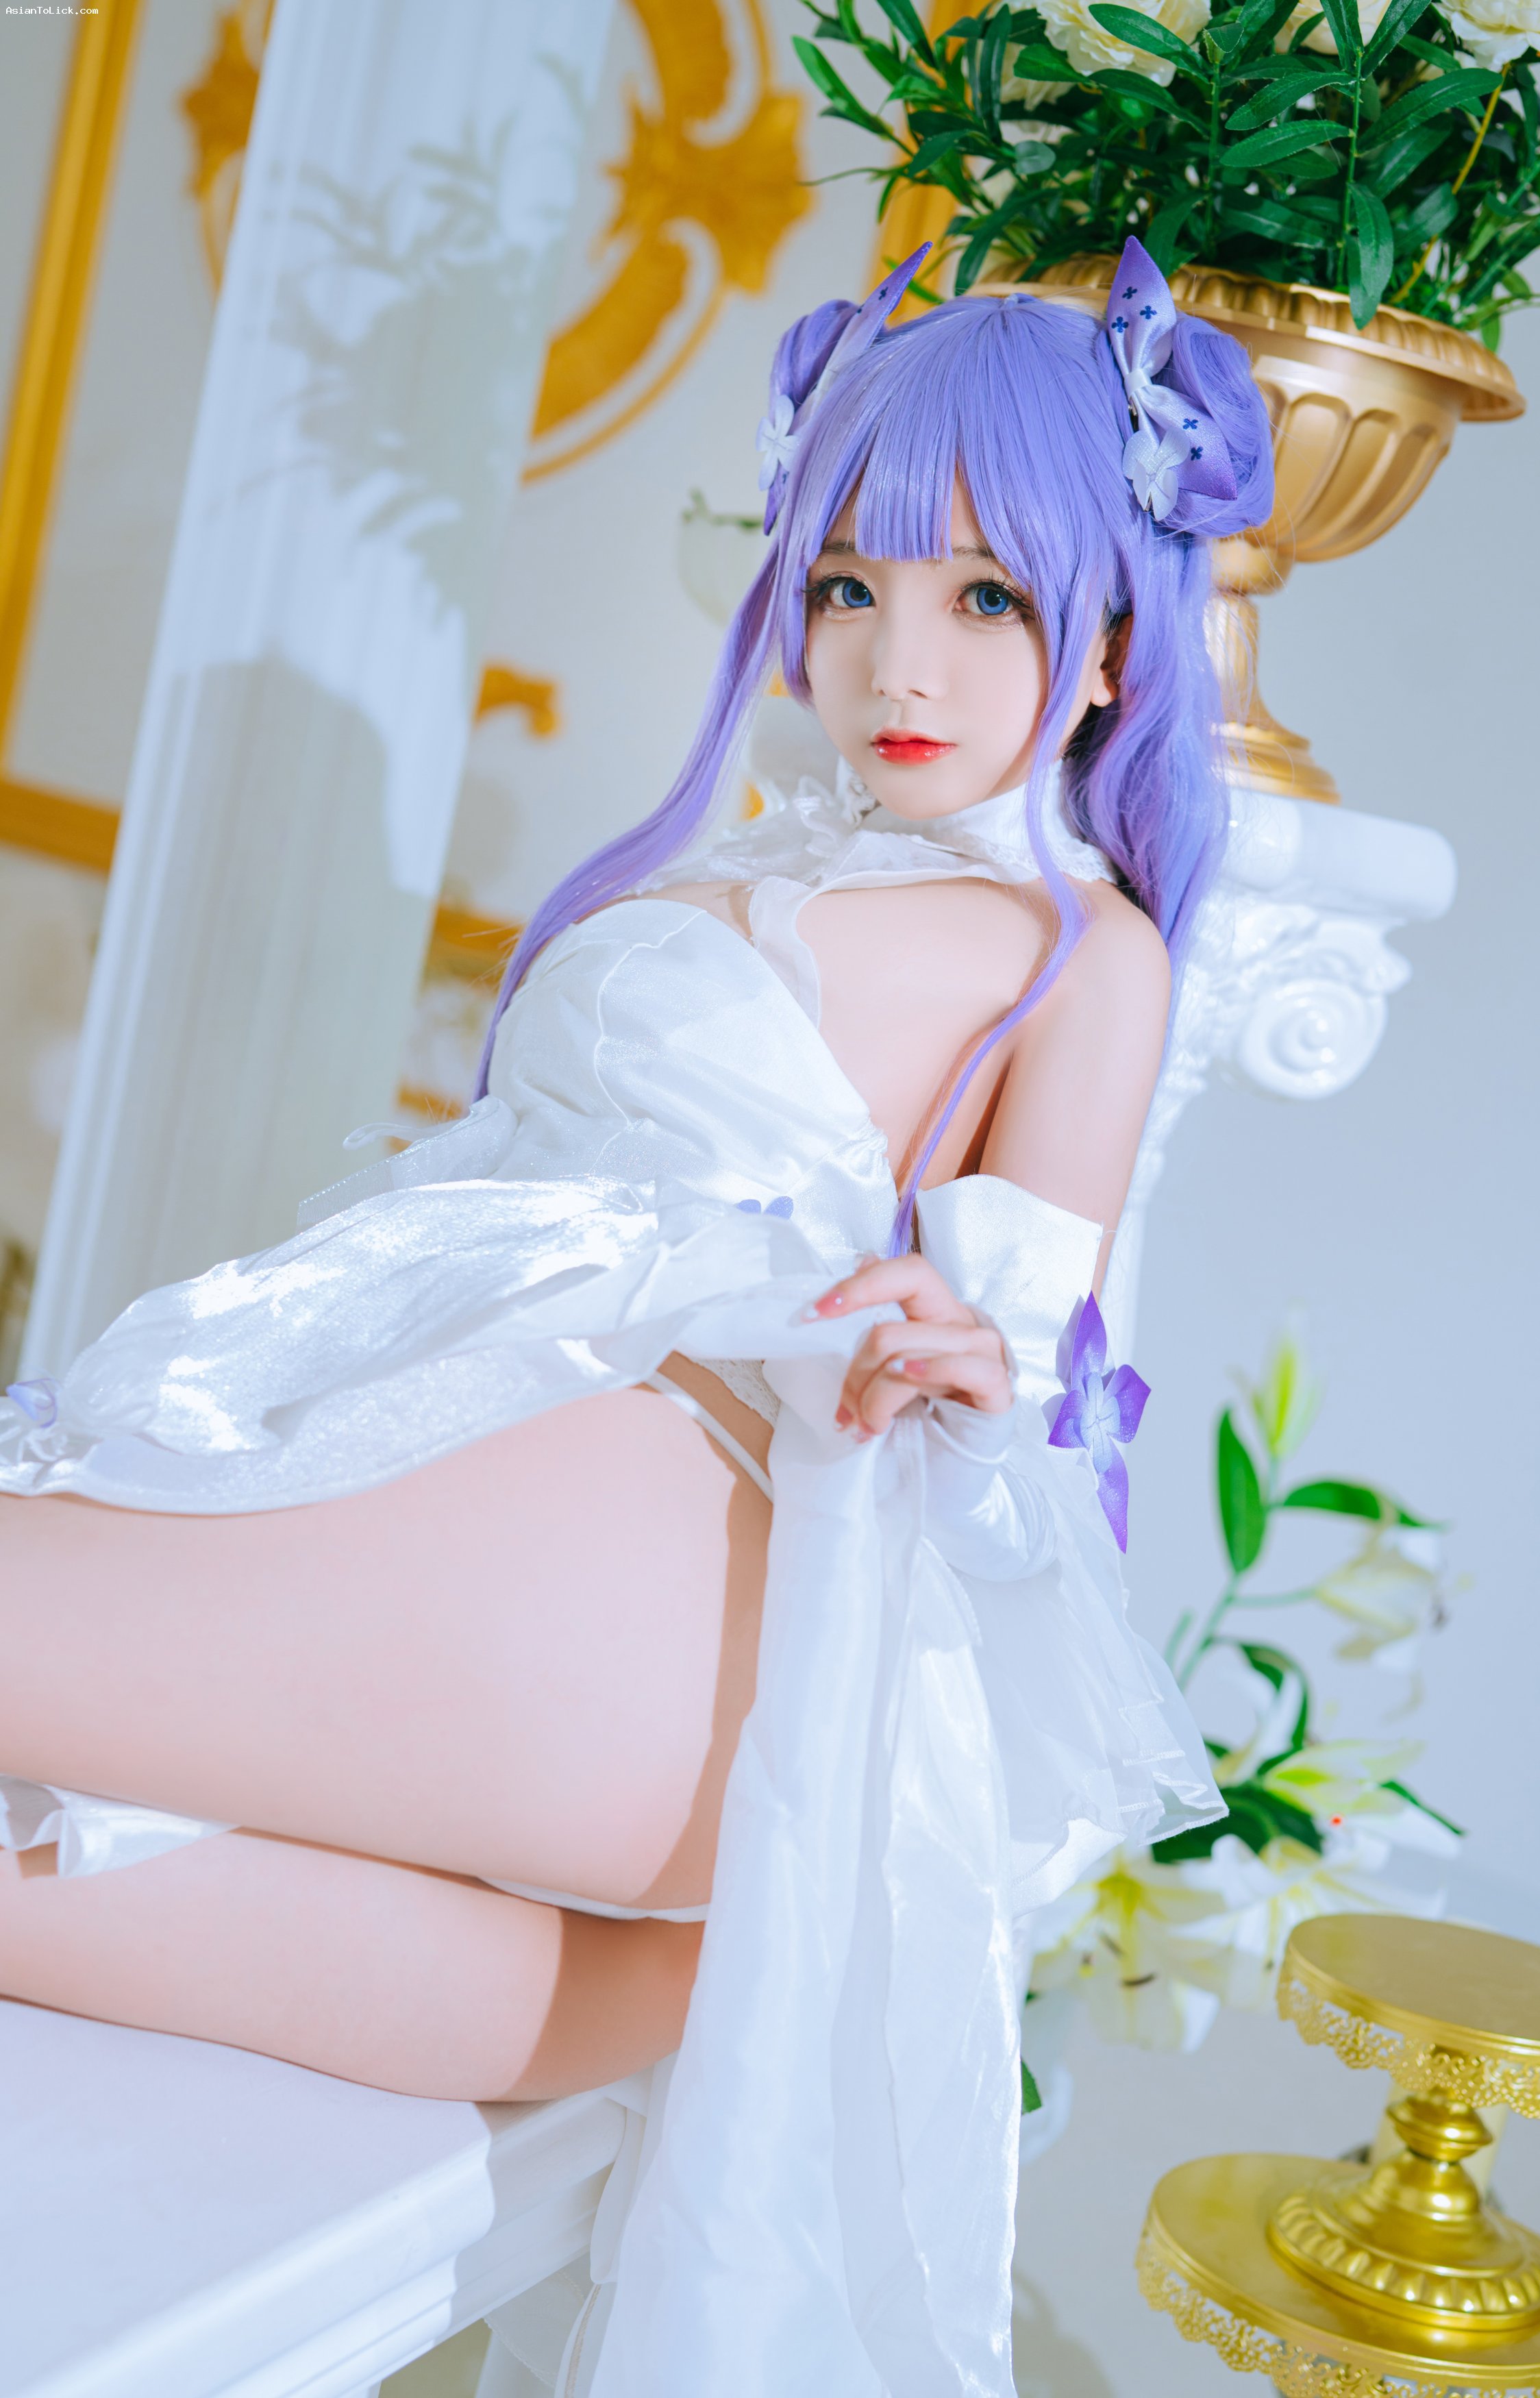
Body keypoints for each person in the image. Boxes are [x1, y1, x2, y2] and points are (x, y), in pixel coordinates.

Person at [0, 240, 1271, 2394]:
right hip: (488, 1509)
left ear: (1116, 636)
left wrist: (966, 1356)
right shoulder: (760, 852)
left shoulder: (1083, 946)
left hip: (654, 1579)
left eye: (987, 597)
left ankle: (702, 1969)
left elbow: (1027, 1363)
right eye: (851, 582)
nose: (897, 656)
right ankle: (683, 1983)